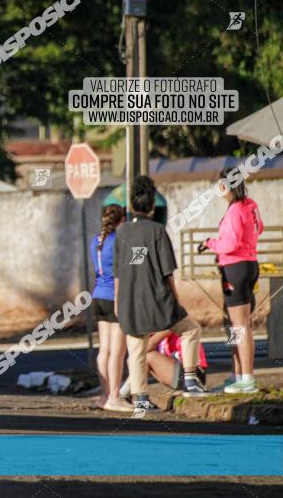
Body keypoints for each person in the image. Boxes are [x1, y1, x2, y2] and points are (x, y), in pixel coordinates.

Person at [114, 175, 209, 410]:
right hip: (158, 300)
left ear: (132, 205)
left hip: (130, 302)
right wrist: (175, 299)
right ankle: (189, 379)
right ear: (151, 206)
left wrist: (118, 303)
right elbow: (168, 273)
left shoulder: (122, 232)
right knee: (191, 329)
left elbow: (118, 274)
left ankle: (140, 399)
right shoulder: (158, 231)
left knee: (136, 349)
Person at [200, 166, 263, 394]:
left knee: (239, 328)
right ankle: (239, 375)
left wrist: (210, 243)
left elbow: (230, 244)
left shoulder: (235, 209)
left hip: (235, 268)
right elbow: (259, 228)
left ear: (225, 185)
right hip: (249, 264)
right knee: (236, 325)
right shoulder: (250, 205)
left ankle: (247, 379)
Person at [88, 204, 130, 412]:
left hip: (97, 295)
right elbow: (119, 274)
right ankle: (115, 395)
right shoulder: (118, 242)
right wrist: (119, 301)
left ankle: (104, 395)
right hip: (114, 297)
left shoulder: (96, 241)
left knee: (104, 348)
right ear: (121, 220)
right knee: (118, 351)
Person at [120, 331, 208, 395]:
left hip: (194, 375)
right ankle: (139, 401)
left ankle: (124, 394)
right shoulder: (159, 334)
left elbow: (144, 349)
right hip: (181, 374)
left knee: (146, 357)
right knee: (139, 360)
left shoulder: (167, 330)